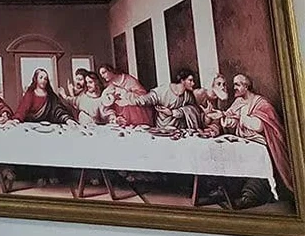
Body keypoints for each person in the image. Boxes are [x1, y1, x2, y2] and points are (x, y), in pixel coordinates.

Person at [213, 74, 293, 206]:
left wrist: (241, 117)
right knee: (228, 154)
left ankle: (251, 195)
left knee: (254, 159)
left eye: (237, 84)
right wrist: (223, 116)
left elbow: (258, 126)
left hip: (260, 144)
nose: (234, 88)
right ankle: (228, 191)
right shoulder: (238, 102)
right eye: (234, 84)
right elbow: (231, 121)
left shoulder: (262, 103)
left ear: (246, 86)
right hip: (243, 142)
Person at [124, 67, 202, 131]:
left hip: (179, 130)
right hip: (162, 129)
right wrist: (128, 97)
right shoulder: (163, 91)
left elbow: (193, 110)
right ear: (182, 81)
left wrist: (172, 112)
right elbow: (145, 100)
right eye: (190, 80)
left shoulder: (188, 95)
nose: (193, 83)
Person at [97, 63, 156, 127]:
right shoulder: (110, 85)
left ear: (110, 70)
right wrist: (113, 98)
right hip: (120, 111)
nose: (102, 76)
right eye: (101, 74)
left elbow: (142, 94)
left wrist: (125, 94)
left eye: (104, 72)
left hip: (134, 110)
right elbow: (106, 100)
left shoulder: (128, 79)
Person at [11, 69, 77, 125]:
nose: (43, 80)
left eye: (45, 79)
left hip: (48, 127)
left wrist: (67, 119)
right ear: (36, 79)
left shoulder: (51, 96)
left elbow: (58, 110)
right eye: (41, 78)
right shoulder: (30, 94)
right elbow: (22, 109)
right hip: (31, 125)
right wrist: (17, 119)